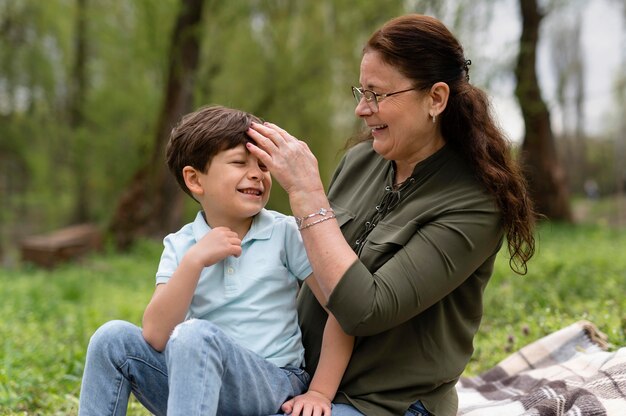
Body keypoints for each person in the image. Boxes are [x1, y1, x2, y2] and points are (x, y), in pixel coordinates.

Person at [247, 14, 536, 416]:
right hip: (299, 385)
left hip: (386, 404)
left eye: (377, 94)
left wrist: (307, 193)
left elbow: (365, 310)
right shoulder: (360, 160)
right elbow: (307, 267)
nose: (361, 110)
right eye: (360, 92)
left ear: (435, 98)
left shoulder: (475, 202)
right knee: (131, 349)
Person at [78, 105, 353, 416]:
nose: (256, 174)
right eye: (239, 162)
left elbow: (343, 309)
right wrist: (194, 261)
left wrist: (319, 391)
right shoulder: (182, 245)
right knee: (111, 338)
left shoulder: (284, 233)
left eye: (263, 165)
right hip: (191, 379)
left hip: (272, 380)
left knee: (195, 336)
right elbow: (155, 334)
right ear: (196, 180)